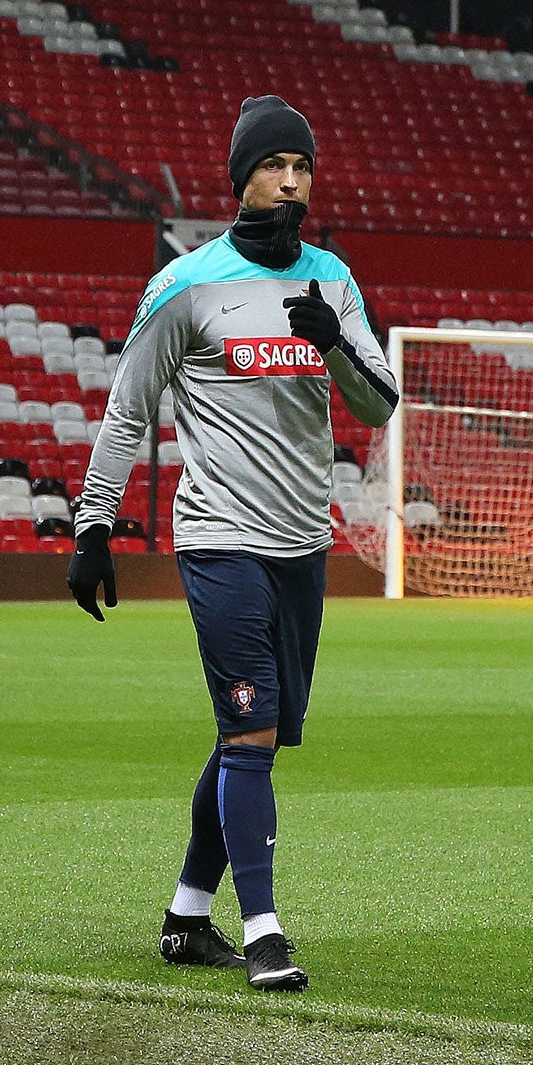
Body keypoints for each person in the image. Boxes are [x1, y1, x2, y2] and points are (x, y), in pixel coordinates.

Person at [66, 95, 398, 993]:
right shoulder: (186, 284)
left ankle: (183, 918)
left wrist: (333, 346)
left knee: (250, 734)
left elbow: (380, 403)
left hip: (302, 542)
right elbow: (127, 408)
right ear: (241, 178)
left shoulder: (332, 280)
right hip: (219, 539)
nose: (290, 180)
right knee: (250, 729)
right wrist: (92, 525)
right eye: (272, 164)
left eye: (303, 165)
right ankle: (264, 931)